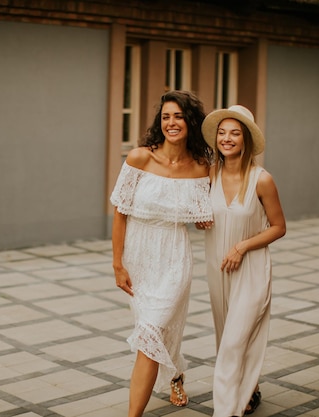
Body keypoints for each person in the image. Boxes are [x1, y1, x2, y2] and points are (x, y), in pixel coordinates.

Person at [110, 90, 214, 417]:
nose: (171, 122)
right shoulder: (140, 158)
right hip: (138, 256)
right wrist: (117, 265)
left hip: (174, 257)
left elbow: (203, 222)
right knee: (158, 329)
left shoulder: (201, 167)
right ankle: (176, 374)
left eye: (179, 116)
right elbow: (120, 212)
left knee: (151, 331)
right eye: (166, 116)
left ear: (190, 122)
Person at [198, 105, 286, 416]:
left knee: (235, 340)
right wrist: (201, 220)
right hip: (217, 268)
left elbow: (279, 227)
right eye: (222, 133)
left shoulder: (262, 179)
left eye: (234, 133)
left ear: (246, 139)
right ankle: (250, 389)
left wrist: (242, 246)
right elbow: (203, 215)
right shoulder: (210, 175)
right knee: (227, 338)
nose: (227, 138)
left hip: (250, 269)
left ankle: (226, 410)